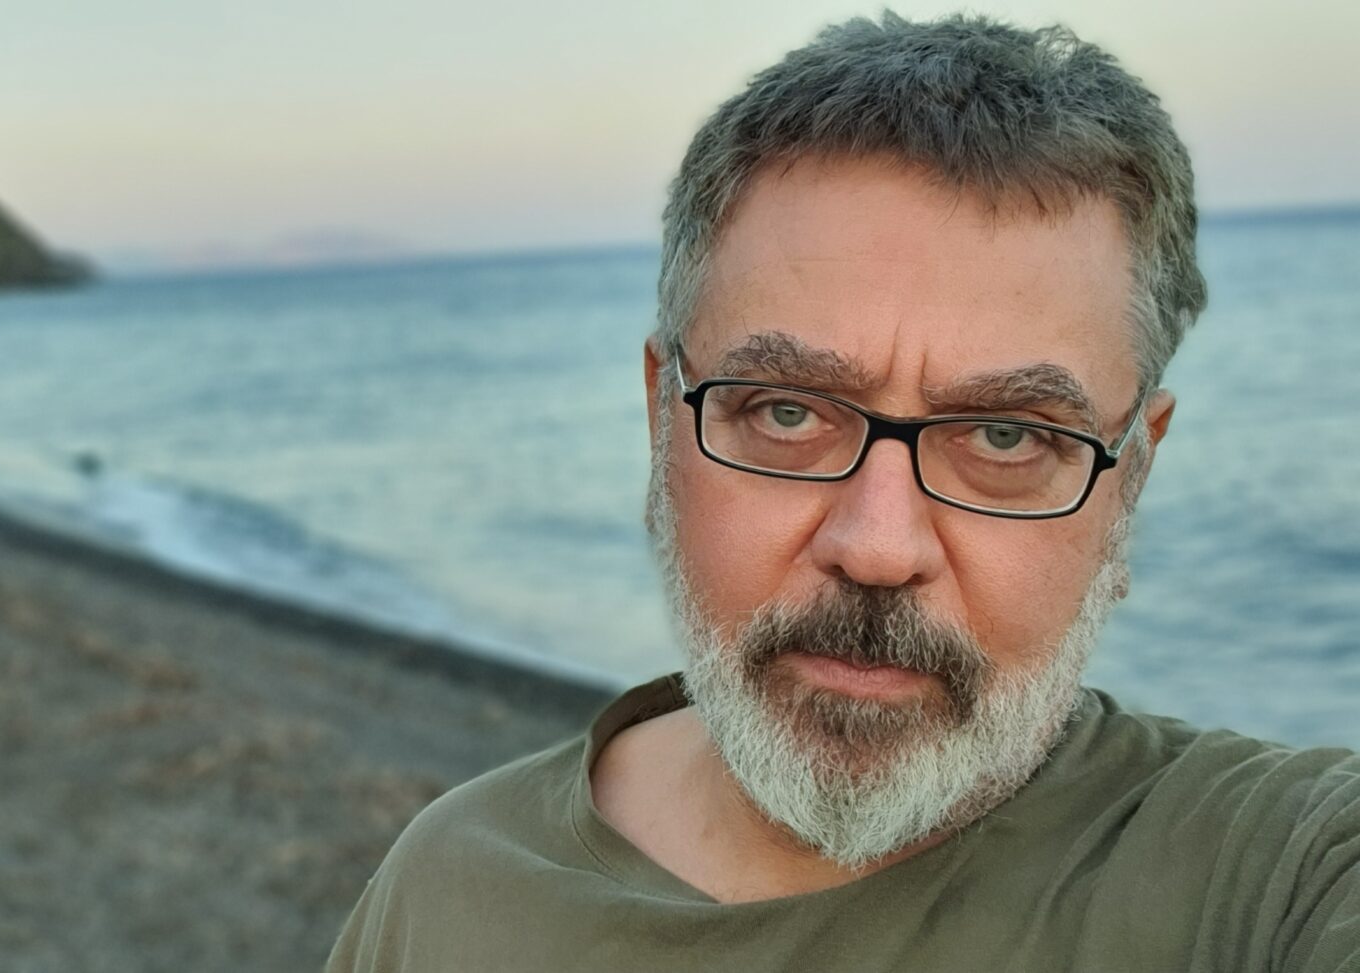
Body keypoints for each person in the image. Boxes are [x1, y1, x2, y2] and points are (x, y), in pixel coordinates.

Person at [324, 12, 1360, 971]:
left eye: (1005, 435)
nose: (876, 546)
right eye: (786, 412)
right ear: (660, 423)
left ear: (1128, 483)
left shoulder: (1281, 876)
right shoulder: (449, 892)